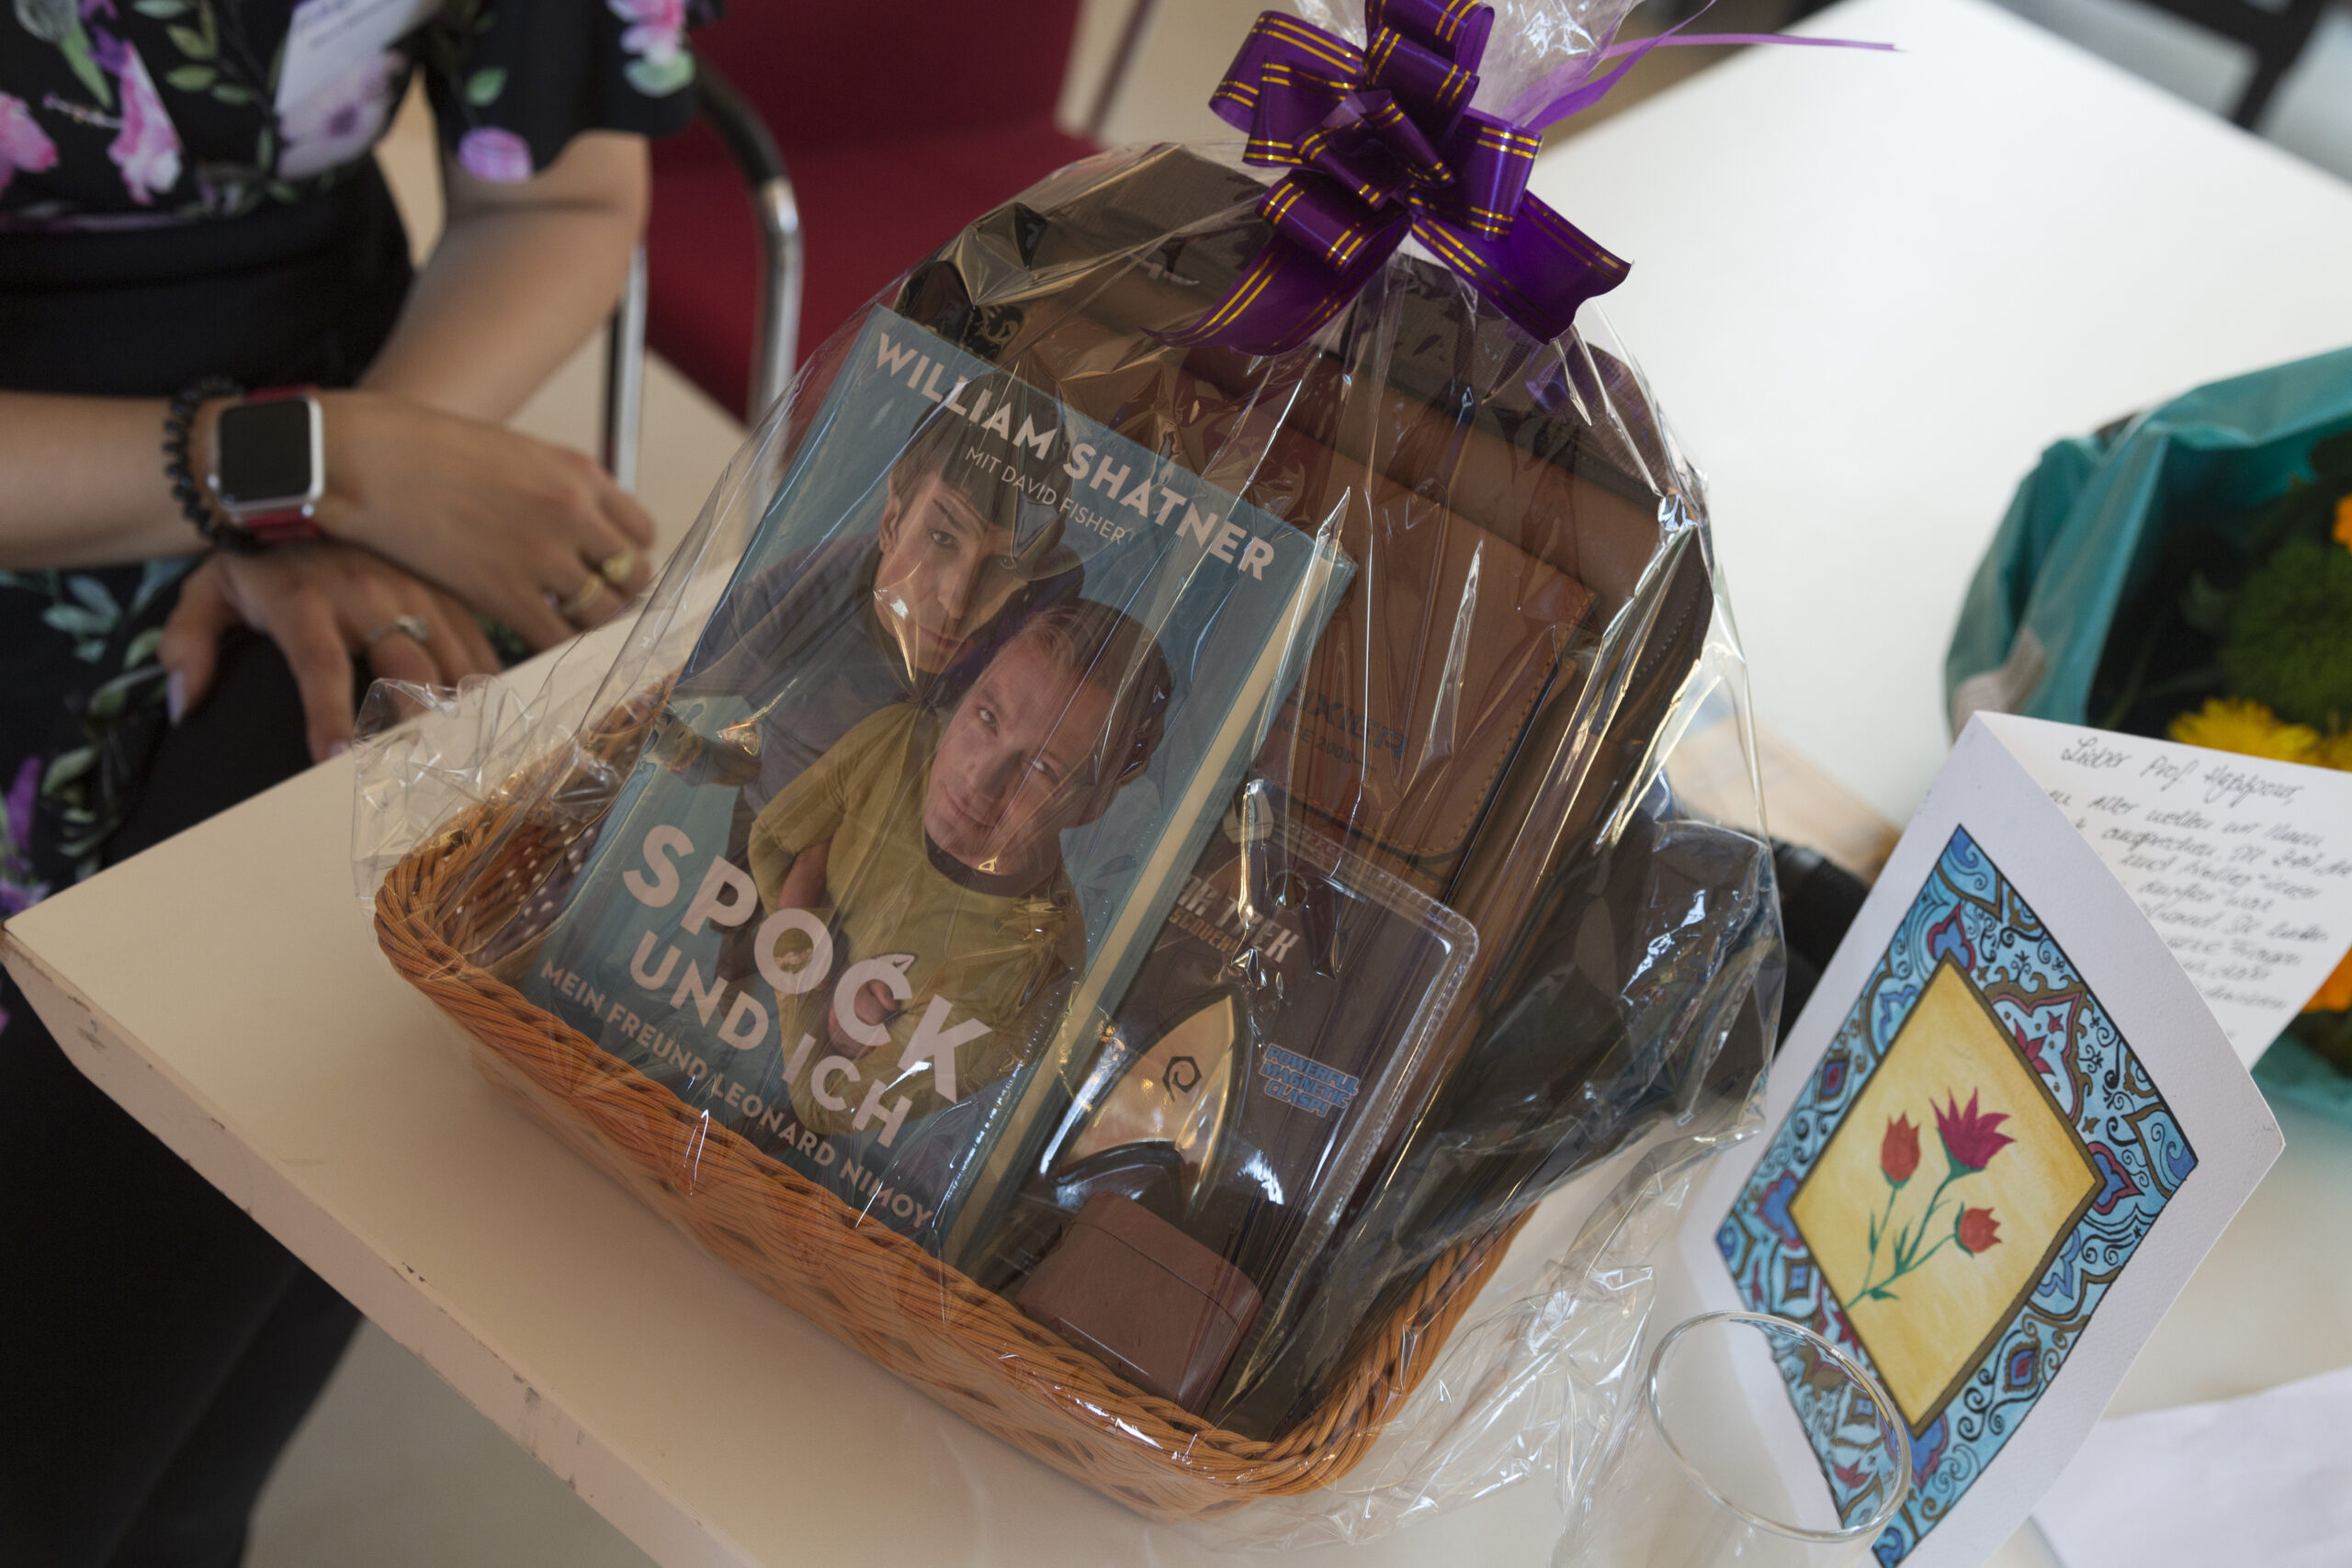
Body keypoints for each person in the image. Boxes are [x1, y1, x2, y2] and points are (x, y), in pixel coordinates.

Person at [0, 3, 694, 1562]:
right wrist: (307, 469)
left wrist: (340, 494)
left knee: (359, 828)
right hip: (123, 474)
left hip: (363, 428)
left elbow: (562, 195)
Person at [749, 599, 1173, 1137]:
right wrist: (822, 983)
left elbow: (828, 1108)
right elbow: (768, 844)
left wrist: (803, 912)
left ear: (1092, 806)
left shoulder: (1033, 965)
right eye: (987, 717)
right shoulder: (897, 745)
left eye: (1041, 768)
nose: (981, 777)